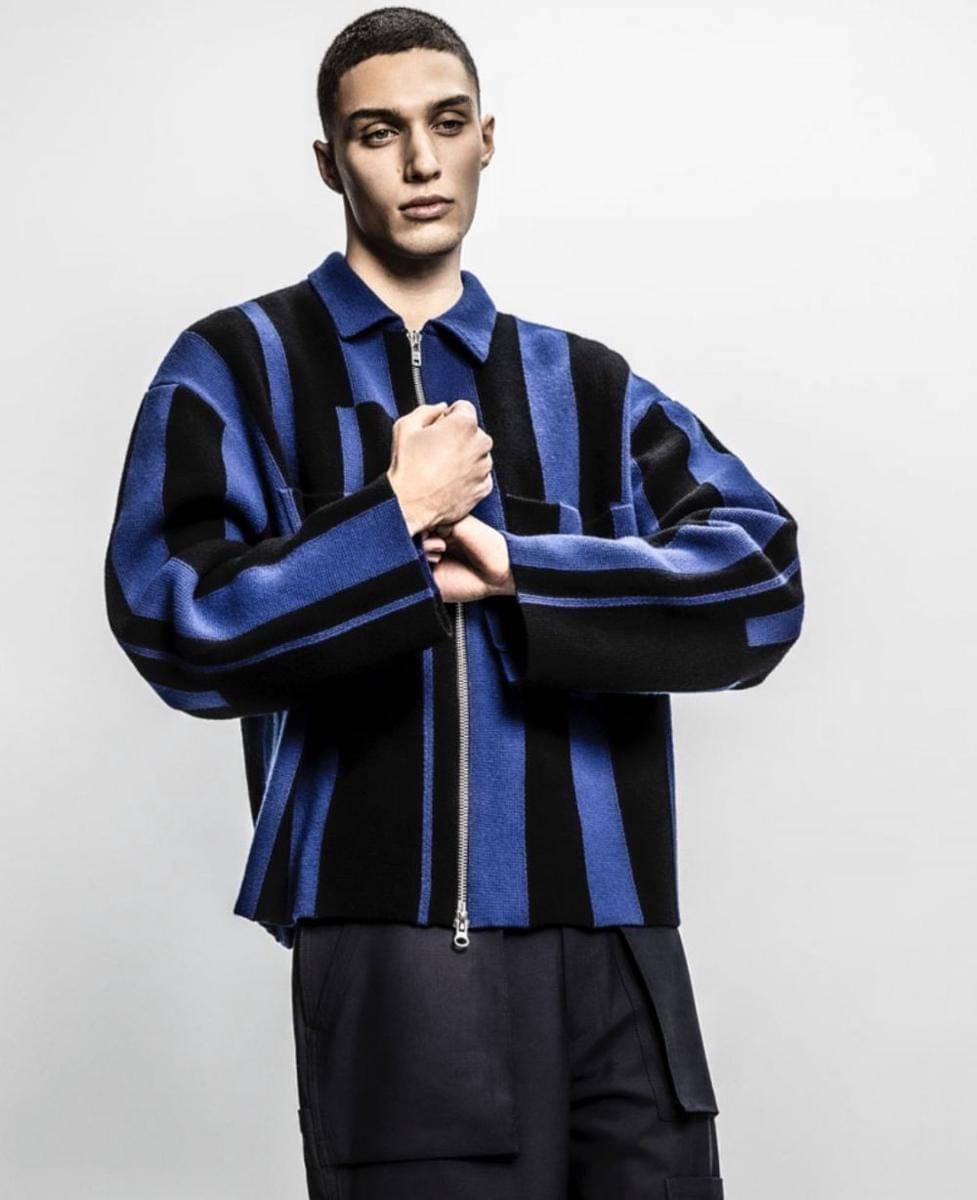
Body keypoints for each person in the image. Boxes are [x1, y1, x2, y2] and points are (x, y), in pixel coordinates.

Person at [104, 7, 804, 1198]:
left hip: (623, 945)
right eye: (379, 133)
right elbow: (173, 623)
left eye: (445, 124)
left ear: (487, 138)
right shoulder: (237, 365)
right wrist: (391, 520)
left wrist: (526, 572)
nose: (420, 162)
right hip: (399, 946)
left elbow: (762, 586)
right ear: (330, 160)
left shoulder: (585, 383)